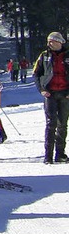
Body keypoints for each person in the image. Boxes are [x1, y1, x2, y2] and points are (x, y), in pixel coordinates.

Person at [32, 32, 69, 164]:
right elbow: (36, 74)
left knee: (63, 125)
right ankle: (48, 156)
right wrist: (42, 89)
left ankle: (60, 154)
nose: (49, 43)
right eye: (48, 41)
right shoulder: (44, 56)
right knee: (50, 124)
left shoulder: (67, 55)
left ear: (59, 42)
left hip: (65, 94)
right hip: (50, 94)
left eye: (52, 41)